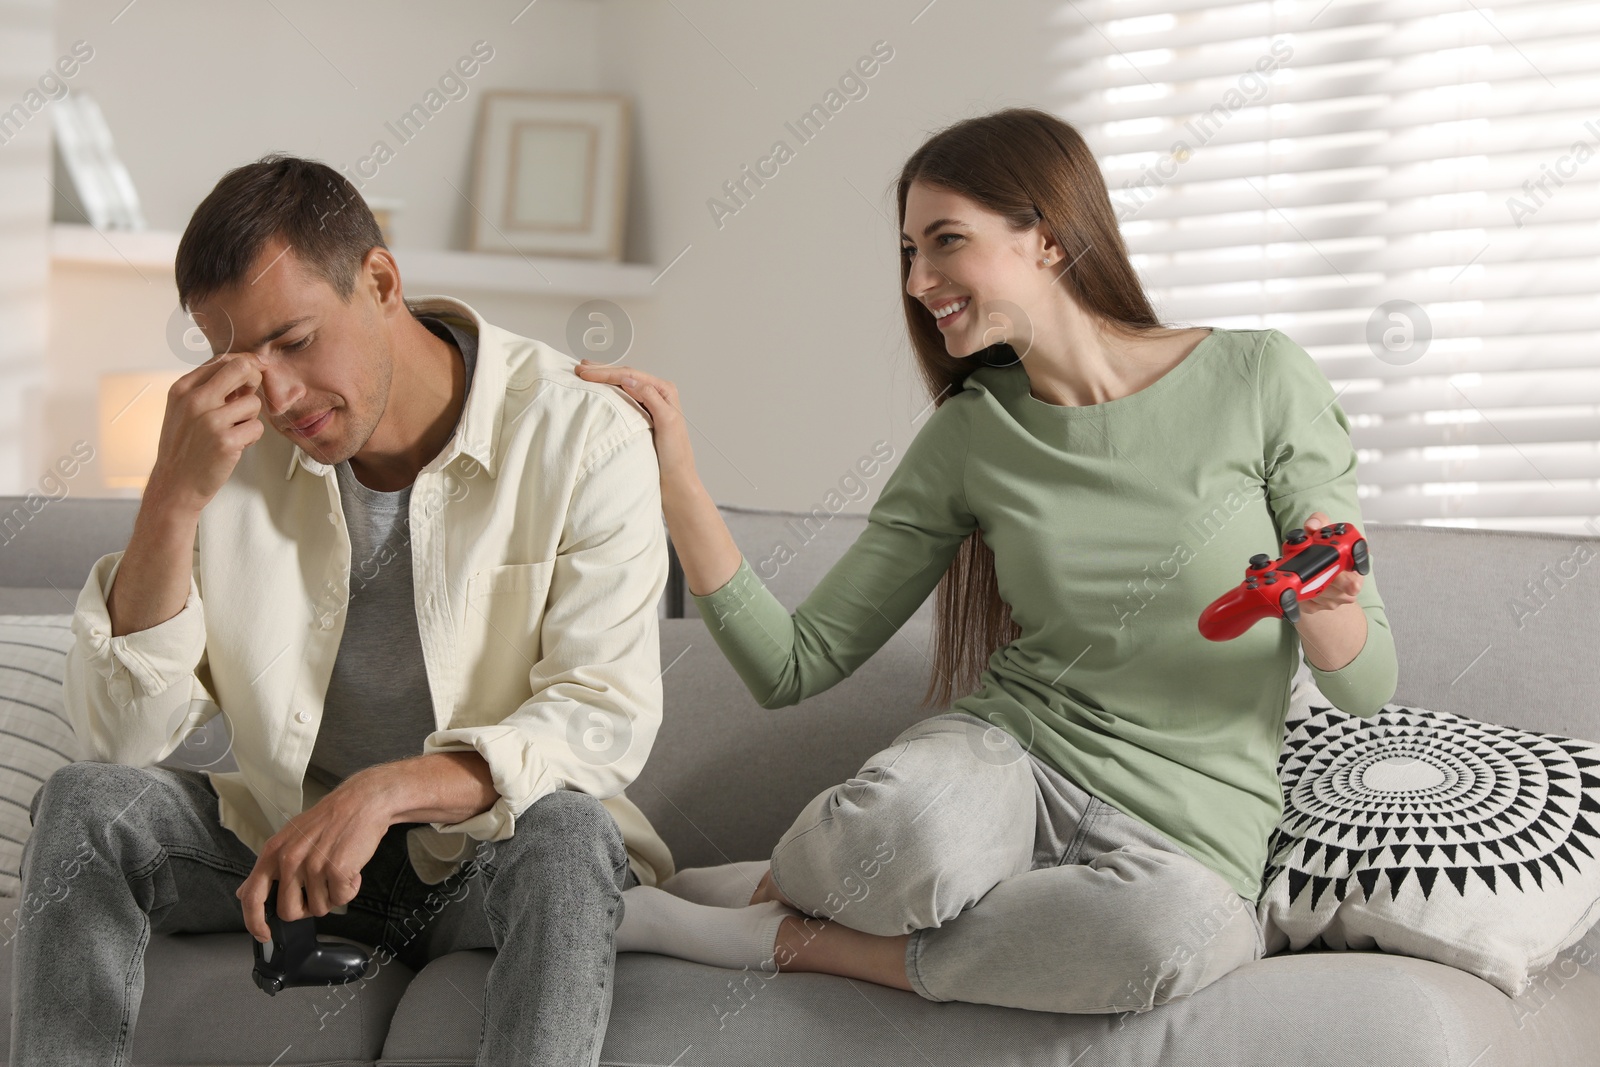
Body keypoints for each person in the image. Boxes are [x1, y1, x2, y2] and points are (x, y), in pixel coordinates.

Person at [577, 107, 1398, 1016]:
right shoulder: (974, 431)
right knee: (907, 833)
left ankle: (765, 925)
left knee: (1181, 935)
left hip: (1189, 831)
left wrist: (1321, 606)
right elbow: (794, 665)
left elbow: (1366, 685)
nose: (920, 280)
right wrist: (680, 480)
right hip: (1009, 765)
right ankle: (804, 889)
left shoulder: (1262, 378)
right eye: (908, 252)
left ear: (1046, 239)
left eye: (946, 242)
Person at [13, 154, 674, 1067]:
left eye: (294, 341)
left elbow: (602, 715)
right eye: (238, 360)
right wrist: (171, 494)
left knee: (569, 831)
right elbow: (121, 736)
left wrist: (387, 789)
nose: (276, 396)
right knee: (86, 806)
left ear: (381, 281)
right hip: (295, 855)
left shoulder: (580, 435)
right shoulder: (231, 449)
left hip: (489, 852)